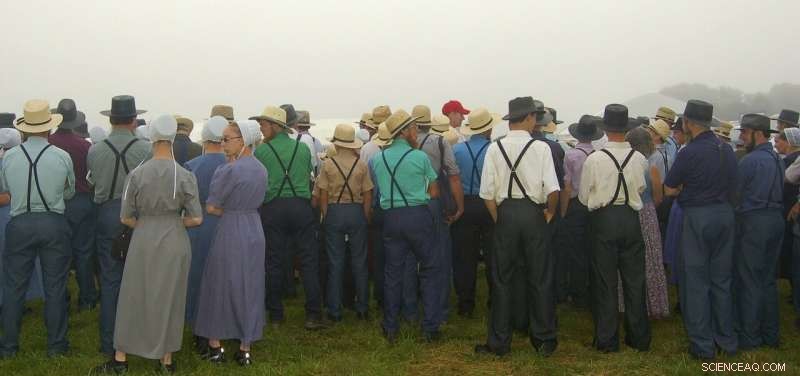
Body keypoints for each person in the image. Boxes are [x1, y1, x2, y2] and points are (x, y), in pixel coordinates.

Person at [94, 114, 202, 374]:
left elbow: (125, 217)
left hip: (143, 238)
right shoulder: (185, 175)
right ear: (174, 137)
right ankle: (166, 360)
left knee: (134, 295)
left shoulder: (137, 174)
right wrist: (173, 223)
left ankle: (120, 358)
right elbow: (196, 218)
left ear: (152, 138)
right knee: (171, 298)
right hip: (175, 239)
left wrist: (146, 225)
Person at [475, 96, 560, 357]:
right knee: (540, 277)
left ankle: (499, 341)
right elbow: (553, 189)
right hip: (534, 213)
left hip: (505, 214)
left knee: (502, 279)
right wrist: (549, 212)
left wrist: (499, 218)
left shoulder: (494, 148)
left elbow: (487, 194)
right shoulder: (542, 148)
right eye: (535, 116)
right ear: (529, 118)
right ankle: (544, 339)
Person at [664, 99, 738, 360]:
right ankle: (726, 340)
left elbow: (669, 188)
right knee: (721, 280)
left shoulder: (689, 152)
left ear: (687, 123)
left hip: (698, 216)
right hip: (725, 214)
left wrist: (687, 189)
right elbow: (734, 185)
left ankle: (702, 346)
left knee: (695, 282)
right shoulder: (725, 148)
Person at [0, 100, 74, 358]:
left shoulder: (9, 156)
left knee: (13, 286)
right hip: (53, 221)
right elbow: (70, 190)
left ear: (25, 129)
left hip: (19, 222)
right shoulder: (62, 156)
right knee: (55, 286)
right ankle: (56, 346)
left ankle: (8, 347)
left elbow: (6, 186)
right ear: (48, 129)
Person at [194, 120, 268, 366]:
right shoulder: (261, 168)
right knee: (251, 283)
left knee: (221, 282)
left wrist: (228, 209)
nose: (222, 144)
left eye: (227, 139)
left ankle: (216, 345)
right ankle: (245, 347)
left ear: (242, 141)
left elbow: (213, 206)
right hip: (254, 228)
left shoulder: (228, 171)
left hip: (231, 227)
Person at [578, 104, 650, 353]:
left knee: (605, 281)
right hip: (630, 219)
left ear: (605, 129)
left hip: (604, 219)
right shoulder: (639, 158)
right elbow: (641, 189)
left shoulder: (595, 159)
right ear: (626, 129)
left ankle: (607, 339)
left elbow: (583, 197)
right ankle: (638, 337)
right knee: (634, 280)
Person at [87, 95, 152, 357]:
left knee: (110, 279)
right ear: (134, 120)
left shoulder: (95, 149)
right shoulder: (146, 148)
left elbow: (92, 182)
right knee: (140, 278)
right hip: (137, 216)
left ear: (111, 119)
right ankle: (139, 337)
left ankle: (109, 342)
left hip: (106, 213)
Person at [252, 106, 326, 330]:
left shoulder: (262, 152)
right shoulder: (302, 149)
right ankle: (313, 314)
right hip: (300, 206)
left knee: (274, 260)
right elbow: (307, 174)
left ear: (275, 126)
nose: (261, 129)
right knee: (308, 261)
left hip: (274, 207)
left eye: (264, 125)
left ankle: (275, 314)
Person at [371, 109, 442, 343]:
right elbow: (434, 191)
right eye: (413, 128)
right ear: (403, 132)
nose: (416, 132)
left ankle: (390, 326)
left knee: (393, 272)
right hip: (417, 215)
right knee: (430, 269)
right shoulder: (419, 157)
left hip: (390, 217)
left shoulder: (377, 159)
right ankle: (430, 326)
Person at [733, 114, 784, 350]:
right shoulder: (776, 159)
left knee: (750, 280)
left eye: (745, 132)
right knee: (768, 280)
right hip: (775, 219)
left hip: (754, 221)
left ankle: (750, 338)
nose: (741, 137)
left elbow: (736, 194)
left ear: (758, 133)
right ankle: (771, 335)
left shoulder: (749, 161)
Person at [412, 104, 464, 324]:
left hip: (411, 203)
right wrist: (459, 206)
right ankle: (440, 309)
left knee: (412, 256)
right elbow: (453, 175)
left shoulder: (406, 144)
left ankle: (413, 306)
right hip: (435, 203)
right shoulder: (440, 142)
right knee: (440, 257)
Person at [318, 124, 373, 322]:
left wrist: (327, 214)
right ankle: (362, 307)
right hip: (356, 211)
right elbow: (368, 193)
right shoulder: (361, 165)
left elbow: (322, 194)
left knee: (335, 262)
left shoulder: (328, 164)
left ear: (337, 143)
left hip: (334, 211)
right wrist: (365, 215)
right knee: (359, 262)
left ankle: (334, 310)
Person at [183, 116, 228, 353]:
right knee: (223, 277)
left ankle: (198, 328)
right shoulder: (232, 164)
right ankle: (222, 326)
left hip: (198, 224)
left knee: (197, 278)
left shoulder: (192, 165)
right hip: (225, 223)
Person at [48, 98, 97, 312]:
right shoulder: (85, 146)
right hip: (81, 200)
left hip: (54, 202)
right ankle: (87, 298)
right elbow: (92, 176)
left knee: (57, 254)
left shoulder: (48, 143)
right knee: (83, 252)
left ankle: (60, 298)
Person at [451, 108, 498, 317]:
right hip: (490, 204)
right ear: (488, 129)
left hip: (465, 204)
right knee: (493, 254)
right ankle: (495, 299)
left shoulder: (458, 150)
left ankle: (465, 302)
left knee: (465, 256)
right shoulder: (495, 149)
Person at [625, 127, 670, 319]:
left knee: (629, 260)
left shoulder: (626, 166)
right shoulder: (650, 168)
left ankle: (626, 303)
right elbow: (659, 197)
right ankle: (654, 304)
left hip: (630, 213)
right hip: (648, 213)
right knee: (651, 260)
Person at [560, 115, 603, 308]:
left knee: (575, 250)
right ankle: (591, 288)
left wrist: (563, 212)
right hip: (593, 205)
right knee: (591, 247)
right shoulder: (598, 155)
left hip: (575, 205)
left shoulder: (570, 155)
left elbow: (567, 187)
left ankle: (577, 292)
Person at [776, 128, 800, 290]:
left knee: (792, 252)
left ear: (789, 142)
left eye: (778, 141)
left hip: (789, 205)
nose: (776, 145)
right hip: (792, 203)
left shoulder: (791, 159)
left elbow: (786, 177)